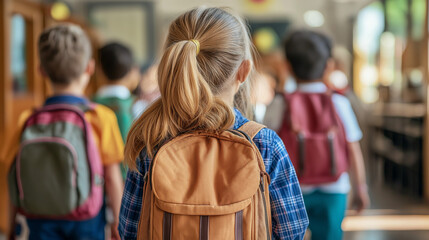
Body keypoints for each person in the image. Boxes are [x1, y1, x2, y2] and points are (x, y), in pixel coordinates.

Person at [119, 7, 308, 240]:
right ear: (244, 71)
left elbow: (129, 229)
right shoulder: (264, 143)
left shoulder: (151, 137)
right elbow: (292, 230)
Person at [5, 24, 124, 240]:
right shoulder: (101, 117)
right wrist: (119, 221)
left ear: (41, 70)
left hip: (38, 218)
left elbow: (14, 174)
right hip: (86, 219)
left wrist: (10, 224)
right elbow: (112, 177)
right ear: (90, 68)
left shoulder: (26, 119)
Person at [264, 30, 370, 240]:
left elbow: (266, 149)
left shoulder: (279, 104)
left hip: (290, 189)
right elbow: (353, 150)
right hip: (334, 187)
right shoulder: (339, 103)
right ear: (329, 66)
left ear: (287, 66)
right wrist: (360, 188)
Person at [93, 42, 140, 179]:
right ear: (132, 71)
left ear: (98, 70)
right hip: (132, 183)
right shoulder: (138, 107)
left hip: (95, 184)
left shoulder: (88, 107)